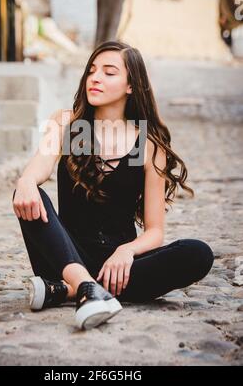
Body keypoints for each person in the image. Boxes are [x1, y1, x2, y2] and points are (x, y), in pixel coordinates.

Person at [12, 40, 214, 331]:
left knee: (199, 253)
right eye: (92, 70)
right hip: (63, 257)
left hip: (118, 268)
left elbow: (155, 231)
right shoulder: (67, 124)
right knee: (30, 195)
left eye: (109, 72)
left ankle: (68, 291)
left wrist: (127, 251)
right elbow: (40, 166)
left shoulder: (148, 145)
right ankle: (84, 286)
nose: (95, 78)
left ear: (131, 85)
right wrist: (26, 181)